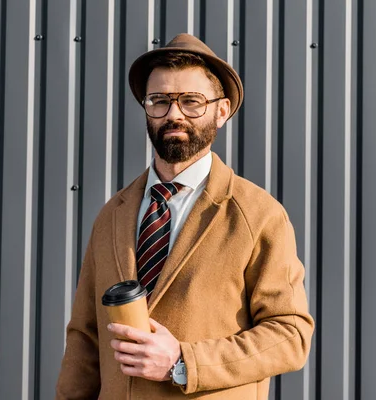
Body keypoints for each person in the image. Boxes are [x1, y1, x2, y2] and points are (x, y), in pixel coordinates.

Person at [55, 33, 314, 399]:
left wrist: (183, 362)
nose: (173, 114)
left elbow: (291, 334)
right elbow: (85, 336)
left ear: (221, 111)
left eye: (191, 101)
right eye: (159, 101)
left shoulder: (258, 215)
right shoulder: (112, 215)